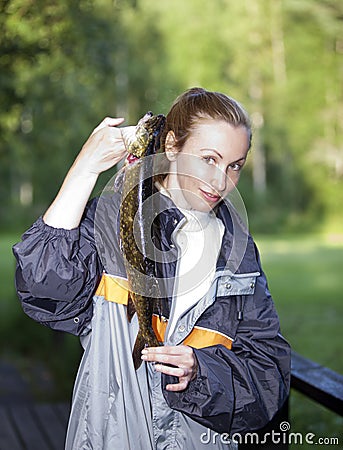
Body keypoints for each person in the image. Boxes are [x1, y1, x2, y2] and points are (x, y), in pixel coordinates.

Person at [13, 87, 291, 449]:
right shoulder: (113, 221)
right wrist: (84, 169)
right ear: (172, 146)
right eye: (209, 158)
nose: (221, 182)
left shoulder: (238, 250)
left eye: (234, 166)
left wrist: (201, 373)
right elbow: (42, 288)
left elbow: (268, 372)